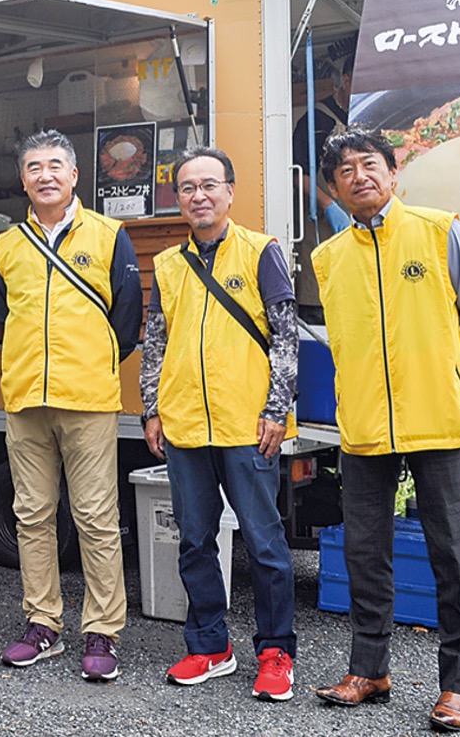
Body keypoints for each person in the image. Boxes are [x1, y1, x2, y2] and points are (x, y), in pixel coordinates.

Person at [310, 130, 460, 732]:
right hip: (362, 424)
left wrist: (436, 374)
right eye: (345, 170)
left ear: (393, 172)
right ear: (334, 187)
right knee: (365, 551)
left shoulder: (440, 231)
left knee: (453, 553)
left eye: (369, 165)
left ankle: (459, 685)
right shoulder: (329, 257)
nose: (358, 175)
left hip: (436, 418)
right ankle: (369, 669)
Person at [140, 146, 300, 701]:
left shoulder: (261, 252)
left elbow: (285, 336)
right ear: (177, 198)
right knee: (193, 541)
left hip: (248, 425)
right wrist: (151, 408)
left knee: (266, 545)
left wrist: (277, 409)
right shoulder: (167, 265)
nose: (199, 195)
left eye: (210, 185)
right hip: (185, 427)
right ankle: (209, 646)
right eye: (188, 187)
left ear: (230, 192)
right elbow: (155, 342)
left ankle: (276, 651)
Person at [0, 129, 142, 681]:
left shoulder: (109, 235)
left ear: (75, 175)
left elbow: (127, 318)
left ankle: (102, 631)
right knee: (31, 515)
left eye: (56, 164)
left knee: (96, 517)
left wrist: (92, 362)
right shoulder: (7, 247)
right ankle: (43, 624)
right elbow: (9, 316)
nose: (45, 174)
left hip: (89, 398)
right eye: (34, 166)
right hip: (25, 396)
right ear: (24, 179)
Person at [292, 49, 352, 325]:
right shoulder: (318, 120)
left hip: (358, 229)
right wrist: (329, 206)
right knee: (322, 299)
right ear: (346, 81)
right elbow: (295, 172)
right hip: (320, 230)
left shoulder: (364, 116)